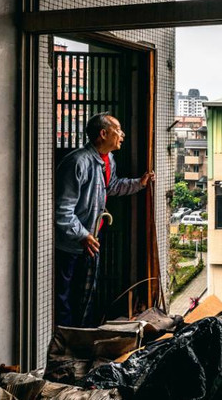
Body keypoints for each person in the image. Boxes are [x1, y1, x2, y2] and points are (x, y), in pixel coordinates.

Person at [55, 112, 154, 327]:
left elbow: (113, 186)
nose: (123, 135)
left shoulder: (107, 160)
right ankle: (64, 342)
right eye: (117, 130)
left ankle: (81, 338)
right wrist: (82, 235)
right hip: (70, 246)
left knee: (85, 298)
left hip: (90, 243)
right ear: (103, 133)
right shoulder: (77, 163)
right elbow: (62, 211)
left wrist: (140, 183)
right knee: (62, 300)